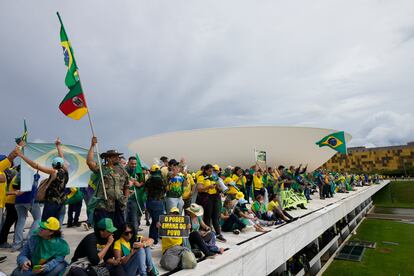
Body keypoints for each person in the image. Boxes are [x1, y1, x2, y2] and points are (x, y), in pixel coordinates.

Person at [17, 138, 69, 223]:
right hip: (61, 202)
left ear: (53, 165)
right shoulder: (66, 171)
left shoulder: (53, 172)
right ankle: (55, 236)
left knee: (46, 223)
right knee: (55, 224)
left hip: (51, 202)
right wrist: (58, 146)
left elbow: (35, 165)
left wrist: (21, 155)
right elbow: (61, 158)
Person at [86, 137, 129, 236]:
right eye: (114, 156)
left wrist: (125, 199)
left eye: (117, 156)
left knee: (119, 228)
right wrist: (92, 146)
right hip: (103, 205)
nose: (117, 158)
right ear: (108, 158)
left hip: (118, 205)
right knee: (103, 229)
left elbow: (126, 186)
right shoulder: (102, 169)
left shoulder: (122, 170)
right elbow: (89, 162)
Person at [12, 171, 42, 251]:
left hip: (18, 200)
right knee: (38, 218)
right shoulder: (35, 173)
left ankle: (17, 244)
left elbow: (14, 186)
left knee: (20, 220)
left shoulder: (19, 174)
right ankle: (28, 242)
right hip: (30, 199)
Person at [196, 164, 226, 242]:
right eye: (209, 171)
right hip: (207, 197)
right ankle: (208, 234)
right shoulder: (201, 177)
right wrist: (208, 187)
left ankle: (218, 233)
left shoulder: (213, 176)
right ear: (205, 170)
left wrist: (218, 187)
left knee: (216, 216)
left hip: (215, 197)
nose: (211, 172)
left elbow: (218, 186)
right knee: (207, 216)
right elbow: (199, 189)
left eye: (212, 171)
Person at [144, 165, 167, 244]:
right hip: (157, 202)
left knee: (154, 221)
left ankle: (152, 237)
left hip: (149, 202)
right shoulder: (162, 180)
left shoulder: (148, 180)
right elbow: (165, 190)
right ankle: (154, 239)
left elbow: (145, 190)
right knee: (157, 221)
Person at [0, 166, 20, 248]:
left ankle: (4, 241)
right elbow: (16, 187)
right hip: (12, 202)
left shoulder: (16, 175)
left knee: (9, 222)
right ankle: (3, 241)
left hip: (10, 201)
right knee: (10, 222)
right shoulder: (18, 176)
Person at [125, 156, 146, 233]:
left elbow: (143, 183)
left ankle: (134, 236)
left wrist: (139, 184)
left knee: (134, 218)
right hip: (124, 198)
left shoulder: (139, 172)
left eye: (135, 164)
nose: (134, 165)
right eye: (132, 164)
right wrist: (130, 183)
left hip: (135, 199)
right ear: (128, 163)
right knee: (125, 219)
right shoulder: (124, 171)